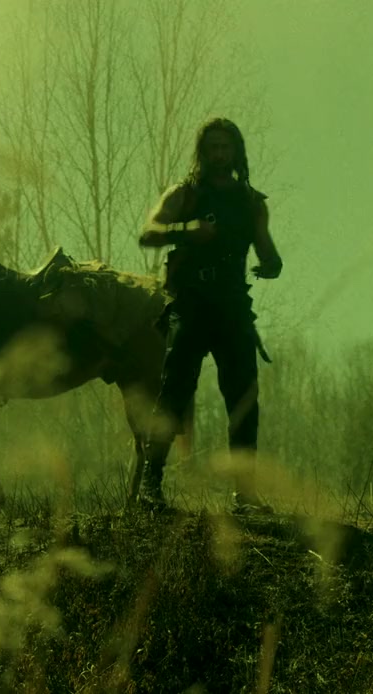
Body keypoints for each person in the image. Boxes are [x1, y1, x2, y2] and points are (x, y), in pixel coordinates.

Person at [136, 117, 283, 510]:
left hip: (233, 308)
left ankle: (245, 494)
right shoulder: (184, 194)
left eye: (226, 147)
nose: (220, 154)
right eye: (213, 147)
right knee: (174, 392)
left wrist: (272, 265)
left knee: (244, 399)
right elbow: (148, 233)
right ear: (203, 152)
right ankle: (150, 486)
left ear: (236, 152)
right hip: (191, 303)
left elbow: (267, 250)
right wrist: (188, 230)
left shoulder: (251, 203)